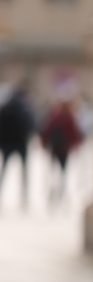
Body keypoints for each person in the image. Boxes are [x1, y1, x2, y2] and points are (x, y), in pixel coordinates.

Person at [39, 94, 83, 205]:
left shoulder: (54, 116)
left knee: (53, 171)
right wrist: (75, 145)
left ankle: (53, 192)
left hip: (54, 148)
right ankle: (61, 194)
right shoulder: (70, 117)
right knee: (63, 172)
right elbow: (74, 134)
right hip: (64, 149)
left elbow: (46, 130)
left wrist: (44, 144)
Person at [0, 81, 36, 209]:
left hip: (6, 144)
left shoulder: (5, 107)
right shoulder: (24, 108)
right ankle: (24, 198)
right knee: (24, 172)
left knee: (4, 171)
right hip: (21, 143)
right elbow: (31, 126)